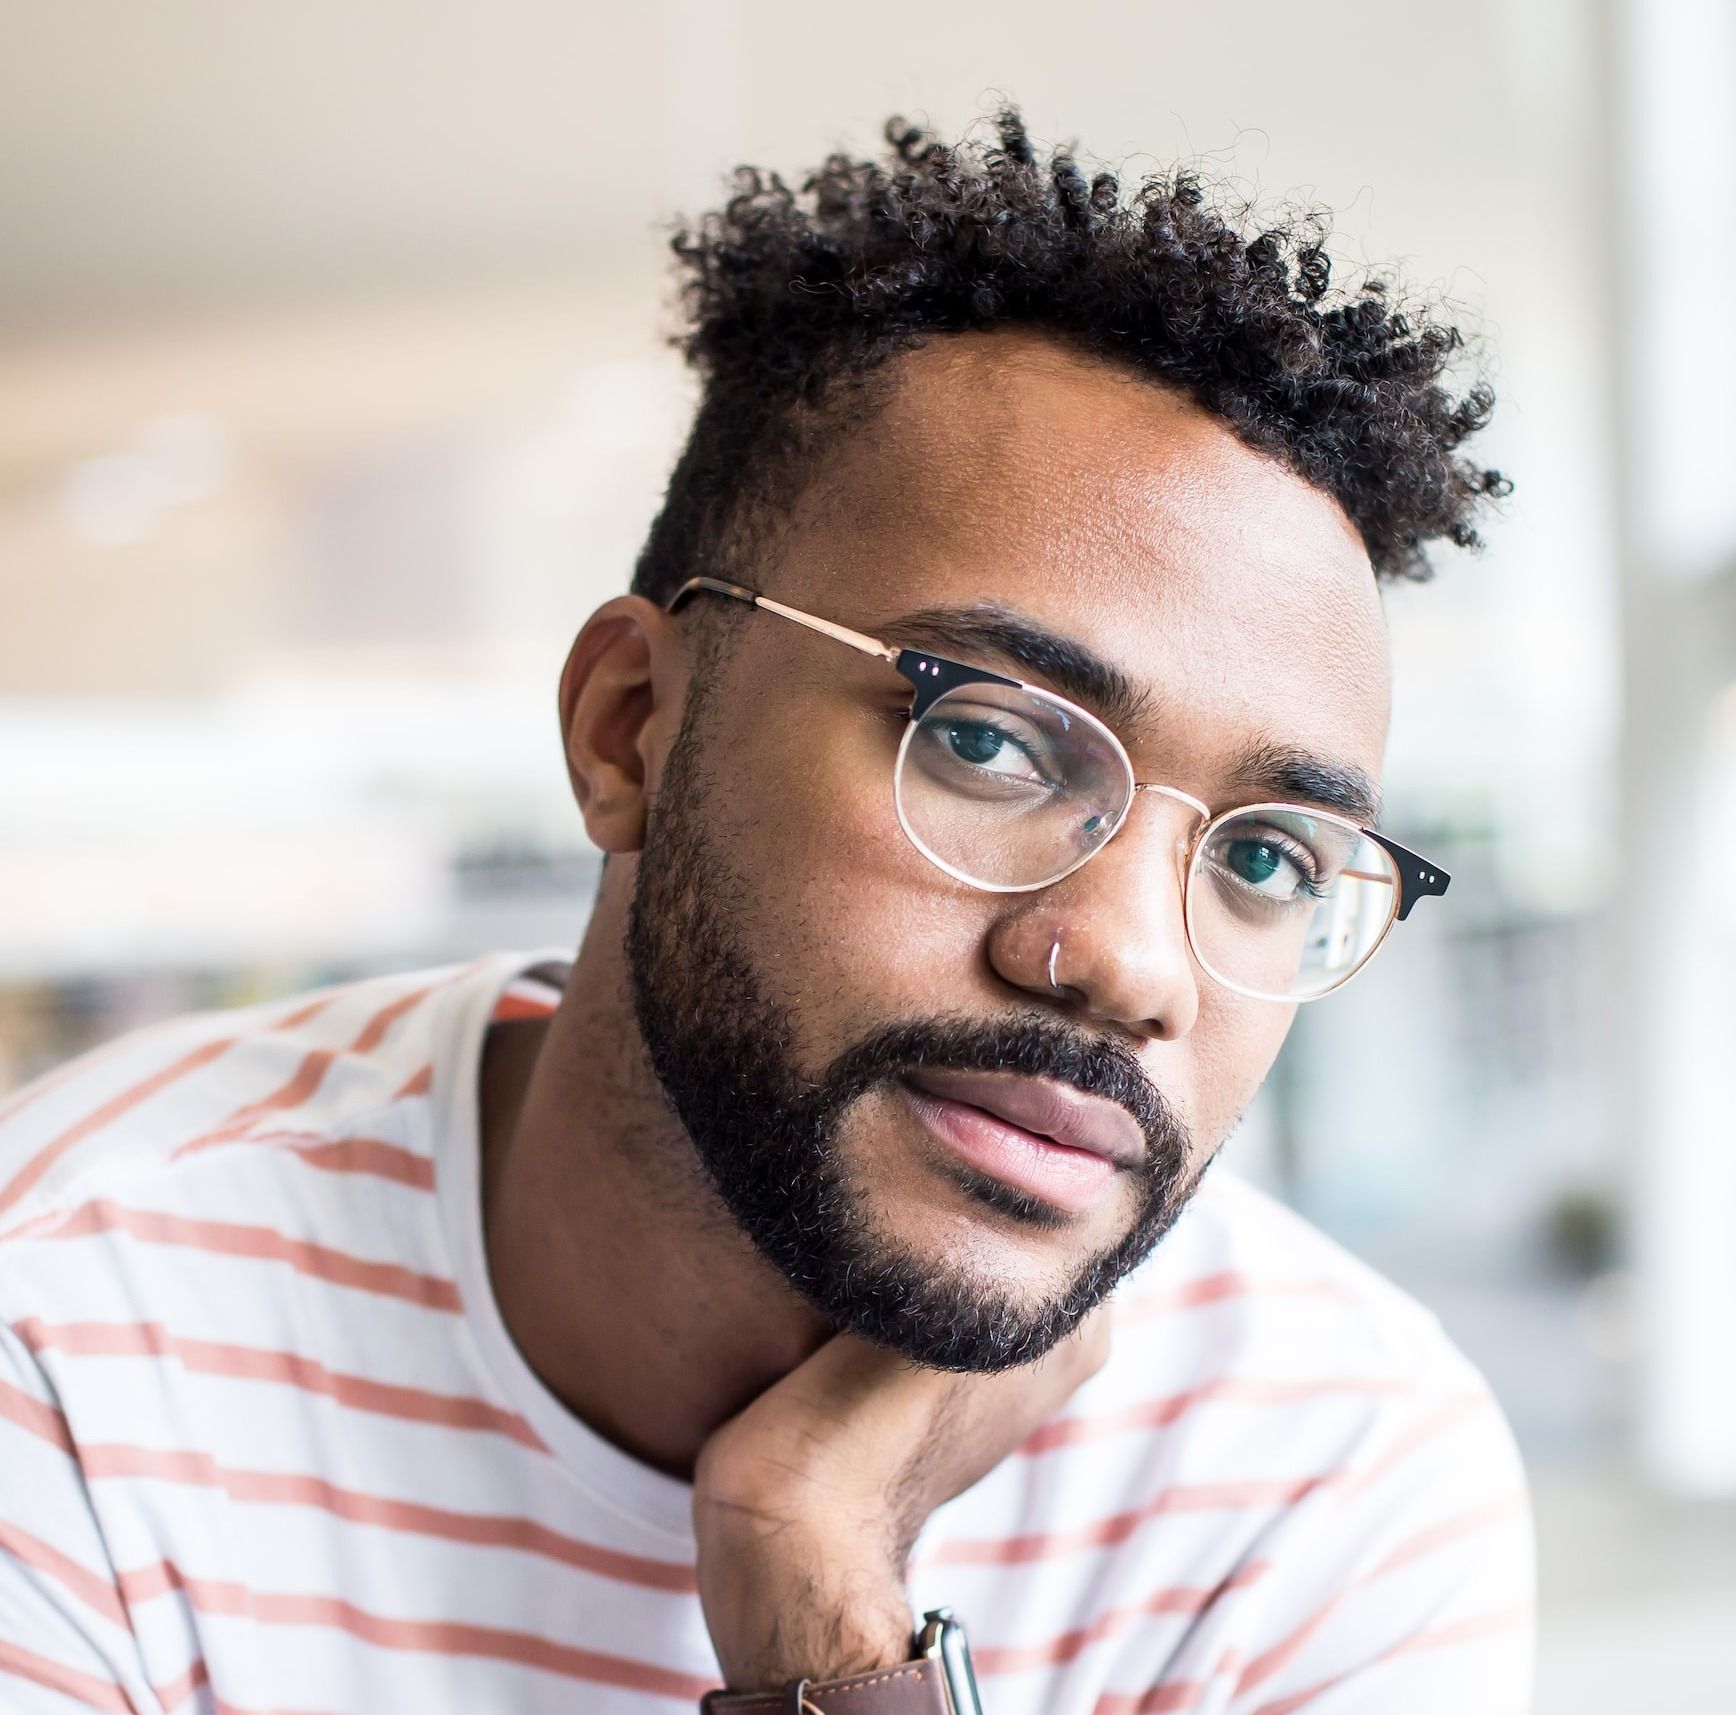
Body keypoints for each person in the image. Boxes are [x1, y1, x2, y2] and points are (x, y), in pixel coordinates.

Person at [0, 110, 1532, 1714]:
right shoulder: (72, 1332)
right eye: (990, 741)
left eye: (1267, 860)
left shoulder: (1329, 1468)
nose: (1136, 965)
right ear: (630, 730)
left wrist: (825, 1606)